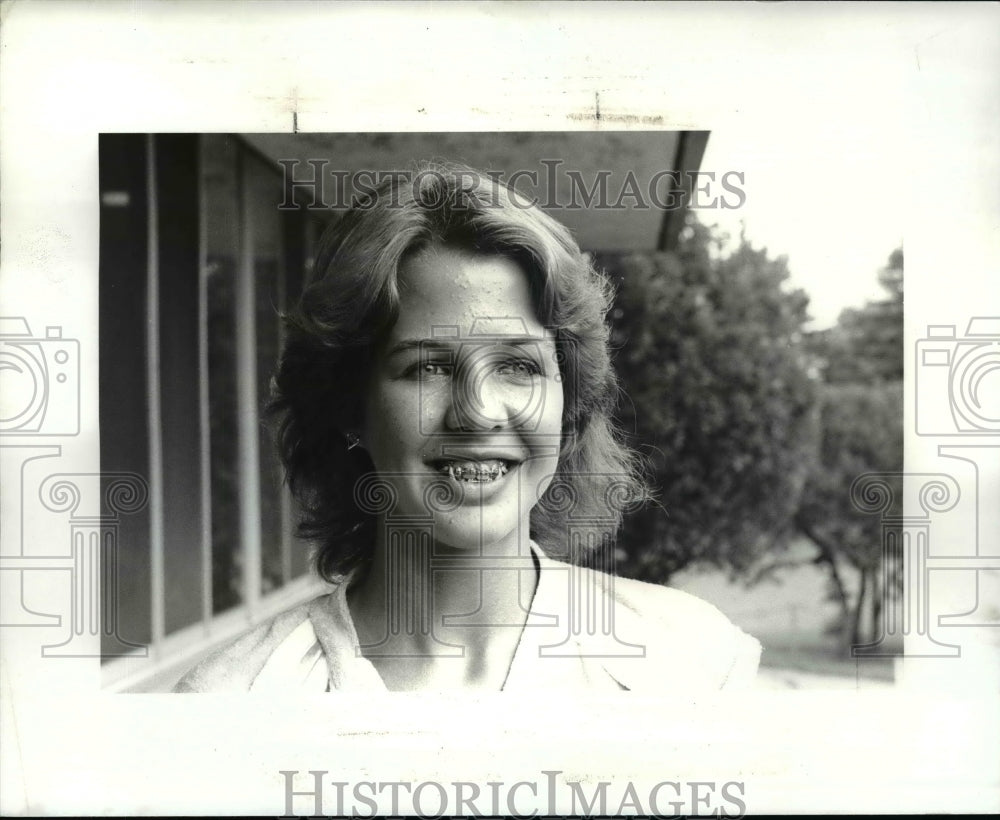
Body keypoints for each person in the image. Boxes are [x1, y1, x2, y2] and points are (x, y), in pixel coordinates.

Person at [174, 162, 760, 692]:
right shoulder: (235, 700)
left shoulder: (692, 663)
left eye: (518, 365)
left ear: (568, 403)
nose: (478, 411)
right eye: (427, 366)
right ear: (350, 404)